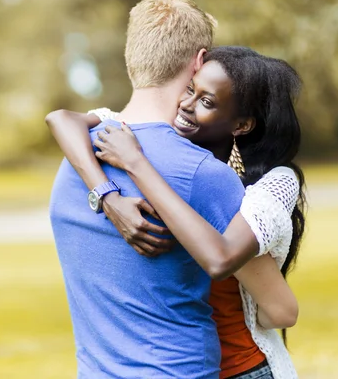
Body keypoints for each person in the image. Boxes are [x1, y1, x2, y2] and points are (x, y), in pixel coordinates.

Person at [47, 47, 306, 378]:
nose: (186, 104)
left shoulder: (257, 188)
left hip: (240, 369)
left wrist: (135, 162)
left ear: (242, 125)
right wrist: (108, 196)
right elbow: (60, 118)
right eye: (189, 89)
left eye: (206, 102)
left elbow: (280, 311)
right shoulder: (142, 139)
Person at [50, 0, 247, 378]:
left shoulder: (74, 162)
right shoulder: (205, 173)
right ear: (199, 61)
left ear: (132, 56)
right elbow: (274, 305)